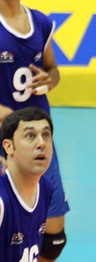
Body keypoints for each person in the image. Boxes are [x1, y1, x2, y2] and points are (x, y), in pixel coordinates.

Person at [0, 0, 68, 261]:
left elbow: (53, 70)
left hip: (38, 137)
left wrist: (48, 79)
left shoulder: (40, 23)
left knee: (53, 238)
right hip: (6, 140)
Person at [0, 107, 54, 262]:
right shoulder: (2, 200)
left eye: (46, 135)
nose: (41, 143)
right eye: (30, 136)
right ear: (8, 147)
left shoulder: (45, 187)